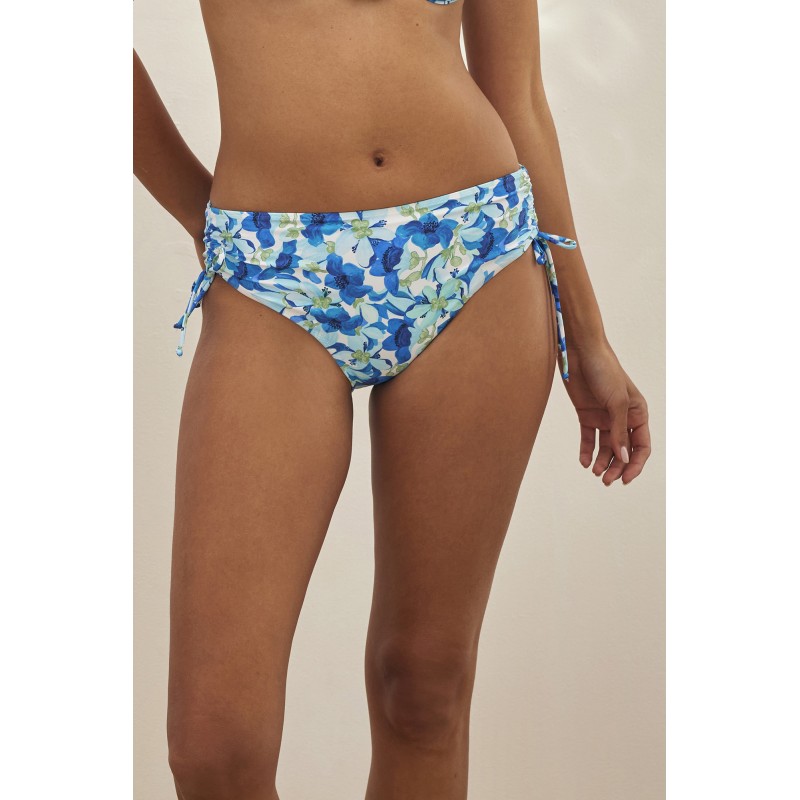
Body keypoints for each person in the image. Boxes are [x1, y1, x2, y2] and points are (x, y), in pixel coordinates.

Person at [133, 0, 651, 797]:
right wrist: (199, 215)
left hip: (476, 249)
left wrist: (586, 335)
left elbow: (518, 93)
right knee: (213, 746)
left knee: (424, 689)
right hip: (273, 272)